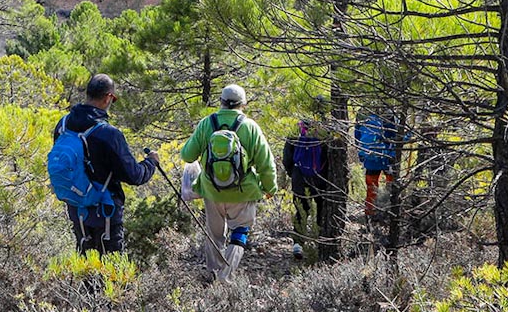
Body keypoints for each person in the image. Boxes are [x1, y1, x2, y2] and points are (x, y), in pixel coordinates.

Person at [51, 74, 160, 254]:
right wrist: (151, 162)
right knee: (112, 273)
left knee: (86, 268)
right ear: (108, 97)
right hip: (106, 213)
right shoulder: (109, 134)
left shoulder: (63, 125)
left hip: (77, 209)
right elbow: (134, 176)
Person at [180, 84, 277, 283]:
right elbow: (266, 164)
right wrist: (270, 187)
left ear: (221, 102)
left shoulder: (207, 124)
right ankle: (225, 277)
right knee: (240, 232)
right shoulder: (250, 127)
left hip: (211, 191)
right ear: (243, 104)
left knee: (214, 235)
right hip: (243, 192)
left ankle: (214, 274)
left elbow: (187, 155)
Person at [284, 108, 337, 259]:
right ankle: (321, 243)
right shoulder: (326, 131)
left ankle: (298, 244)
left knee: (301, 210)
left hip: (300, 177)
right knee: (321, 209)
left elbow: (287, 158)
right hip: (321, 179)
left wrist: (293, 174)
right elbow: (331, 158)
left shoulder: (296, 129)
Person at [356, 110, 404, 220]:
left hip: (371, 159)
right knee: (392, 187)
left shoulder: (364, 116)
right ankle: (391, 213)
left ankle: (370, 214)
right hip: (389, 158)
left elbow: (357, 137)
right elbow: (402, 136)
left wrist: (362, 155)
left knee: (372, 188)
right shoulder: (393, 114)